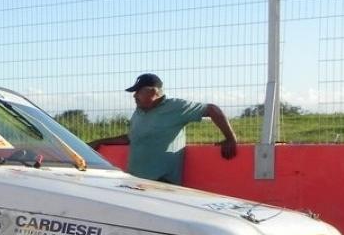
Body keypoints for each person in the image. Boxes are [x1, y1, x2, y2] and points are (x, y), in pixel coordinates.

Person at [91, 73, 237, 184]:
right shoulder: (139, 111)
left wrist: (230, 139)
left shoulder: (176, 107)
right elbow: (132, 137)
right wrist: (99, 142)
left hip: (162, 184)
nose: (134, 96)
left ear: (153, 92)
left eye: (138, 91)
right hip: (136, 182)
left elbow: (212, 109)